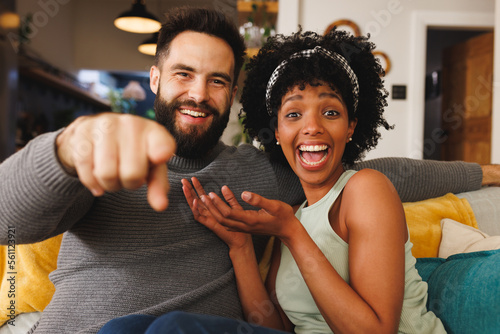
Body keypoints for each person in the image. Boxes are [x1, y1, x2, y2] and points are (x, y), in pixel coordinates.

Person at [0, 6, 494, 334]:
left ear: (233, 94)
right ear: (155, 78)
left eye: (217, 80)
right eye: (183, 74)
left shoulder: (269, 177)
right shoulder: (105, 157)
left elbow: (383, 175)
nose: (198, 93)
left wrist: (487, 173)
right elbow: (8, 224)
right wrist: (67, 148)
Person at [106, 27, 446, 333]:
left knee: (173, 328)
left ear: (351, 127)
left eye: (330, 112)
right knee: (124, 329)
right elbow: (275, 326)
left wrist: (292, 235)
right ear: (278, 133)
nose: (312, 127)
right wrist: (240, 247)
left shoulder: (365, 189)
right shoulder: (292, 214)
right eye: (294, 114)